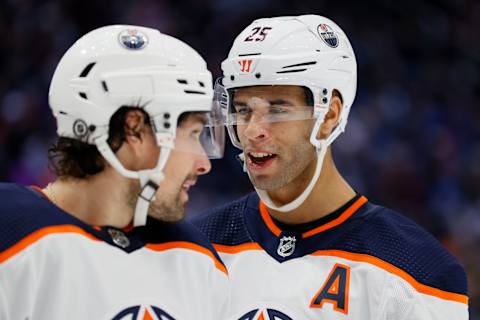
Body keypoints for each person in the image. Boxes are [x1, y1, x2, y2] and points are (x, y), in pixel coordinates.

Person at [194, 15, 469, 319]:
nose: (252, 130)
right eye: (243, 109)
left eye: (277, 109)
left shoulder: (417, 269)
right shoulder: (193, 247)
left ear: (329, 115)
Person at [0, 25, 228, 319]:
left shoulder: (197, 261)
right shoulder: (10, 232)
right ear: (134, 130)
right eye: (194, 134)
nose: (203, 163)